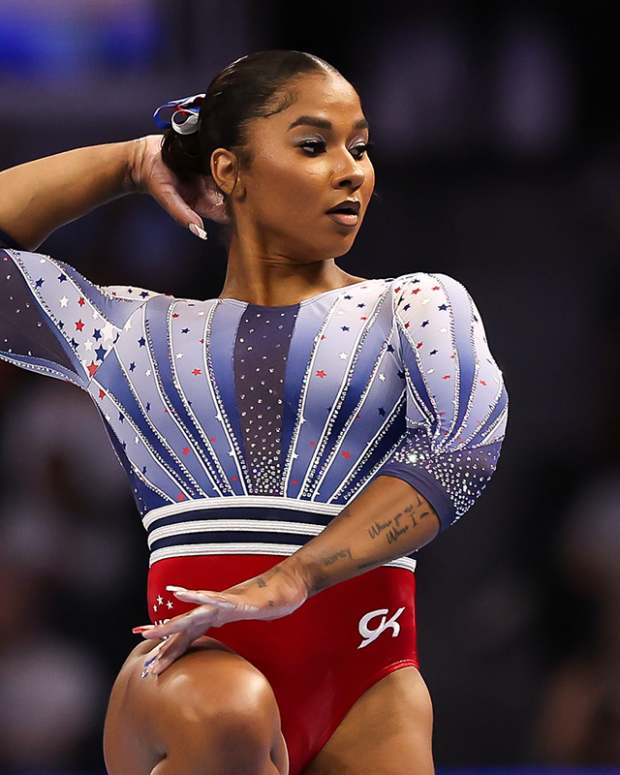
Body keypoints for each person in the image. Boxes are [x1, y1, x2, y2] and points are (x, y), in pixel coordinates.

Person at [0, 49, 508, 775]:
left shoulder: (413, 305)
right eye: (313, 145)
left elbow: (459, 454)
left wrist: (296, 575)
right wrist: (128, 162)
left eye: (359, 146)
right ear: (230, 172)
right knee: (232, 712)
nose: (350, 169)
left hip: (367, 682)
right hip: (194, 679)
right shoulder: (132, 330)